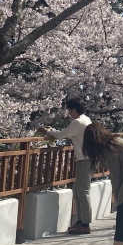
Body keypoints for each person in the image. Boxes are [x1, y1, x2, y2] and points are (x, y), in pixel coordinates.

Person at [38, 98, 93, 234]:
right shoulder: (86, 119)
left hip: (84, 160)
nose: (69, 113)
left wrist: (47, 132)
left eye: (69, 110)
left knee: (83, 192)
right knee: (78, 191)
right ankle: (80, 221)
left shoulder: (77, 122)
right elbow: (70, 133)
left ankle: (85, 224)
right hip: (87, 158)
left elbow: (62, 135)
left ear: (74, 110)